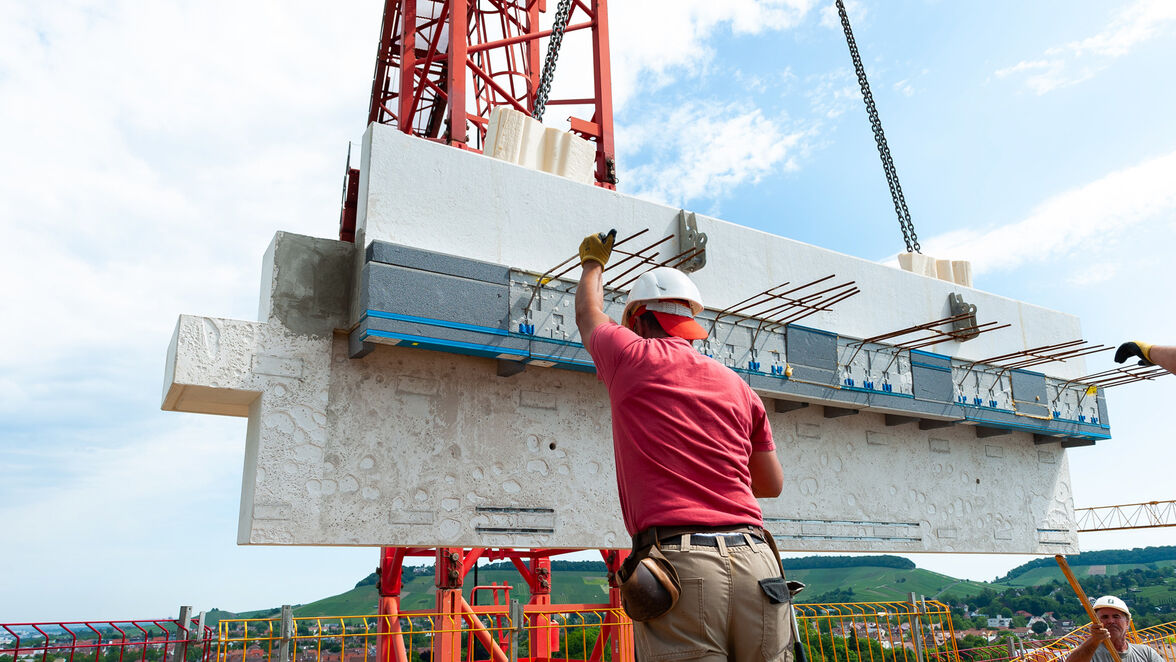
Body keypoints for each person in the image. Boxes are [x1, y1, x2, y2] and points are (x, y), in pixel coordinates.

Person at [574, 230, 793, 662]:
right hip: (759, 567)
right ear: (690, 325)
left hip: (680, 570)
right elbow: (770, 484)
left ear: (636, 320)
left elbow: (588, 314)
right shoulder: (739, 386)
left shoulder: (630, 356)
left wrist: (593, 263)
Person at [1064, 596, 1162, 662]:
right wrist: (1094, 640)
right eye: (1104, 617)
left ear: (1127, 623)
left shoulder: (1146, 653)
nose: (1111, 621)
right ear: (1095, 623)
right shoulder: (1089, 655)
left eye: (1116, 616)